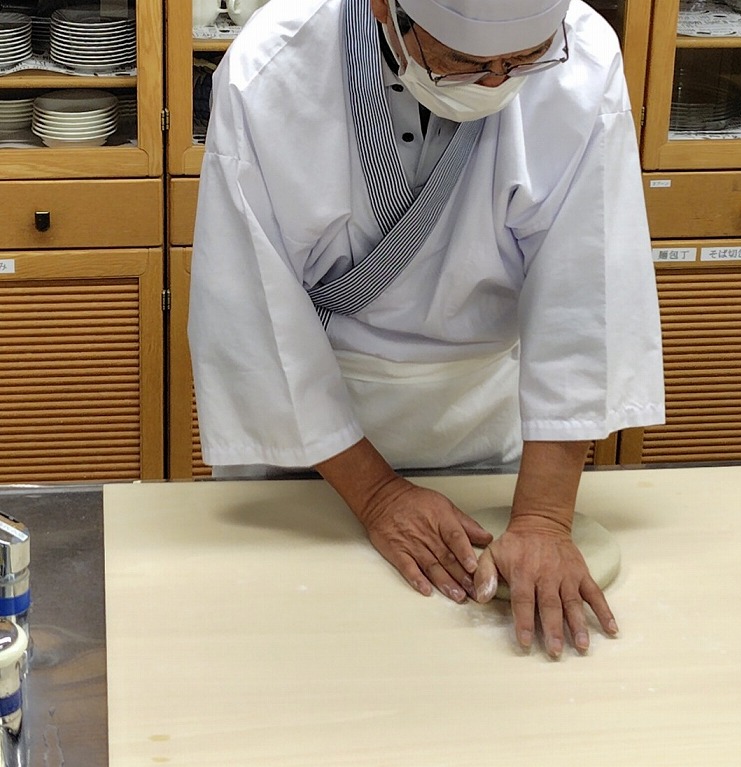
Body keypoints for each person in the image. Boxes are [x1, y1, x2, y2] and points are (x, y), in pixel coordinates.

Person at [188, 0, 665, 658]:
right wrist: (378, 496)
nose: (496, 81)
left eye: (525, 59)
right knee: (303, 646)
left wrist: (541, 516)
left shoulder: (584, 55)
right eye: (464, 61)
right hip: (314, 434)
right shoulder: (271, 68)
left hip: (481, 423)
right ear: (386, 9)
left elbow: (586, 290)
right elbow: (250, 306)